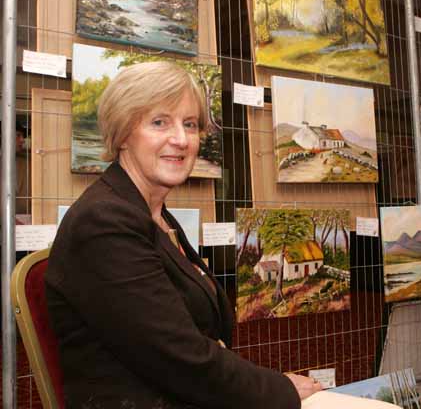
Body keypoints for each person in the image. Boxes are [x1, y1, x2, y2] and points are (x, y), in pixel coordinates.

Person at [45, 61, 321, 408]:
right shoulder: (104, 221)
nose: (181, 140)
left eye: (190, 125)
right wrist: (278, 389)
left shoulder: (153, 215)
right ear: (123, 133)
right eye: (160, 122)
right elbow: (177, 357)